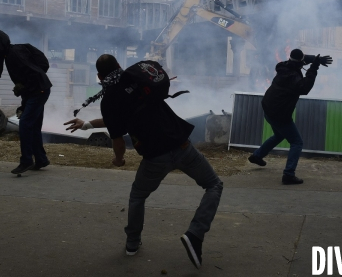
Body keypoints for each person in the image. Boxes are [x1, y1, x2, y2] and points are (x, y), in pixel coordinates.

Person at [64, 55, 223, 269]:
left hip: (154, 157)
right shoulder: (139, 80)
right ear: (120, 66)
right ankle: (195, 233)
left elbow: (118, 138)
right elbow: (120, 120)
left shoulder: (109, 100)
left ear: (99, 77)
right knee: (213, 185)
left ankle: (132, 243)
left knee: (138, 196)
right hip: (182, 147)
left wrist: (118, 159)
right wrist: (87, 125)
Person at [248, 49, 331, 184]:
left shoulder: (283, 66)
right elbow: (305, 88)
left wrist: (316, 59)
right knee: (297, 142)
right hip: (279, 115)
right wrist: (314, 67)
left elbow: (300, 59)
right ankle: (288, 174)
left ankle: (257, 156)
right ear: (299, 63)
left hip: (268, 109)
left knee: (279, 135)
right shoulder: (293, 78)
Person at [0, 29, 52, 174]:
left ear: (0, 44)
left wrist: (23, 87)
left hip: (38, 90)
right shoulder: (10, 54)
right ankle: (41, 159)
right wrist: (23, 96)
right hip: (37, 90)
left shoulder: (15, 54)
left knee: (25, 124)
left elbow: (34, 73)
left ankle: (27, 160)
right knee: (32, 126)